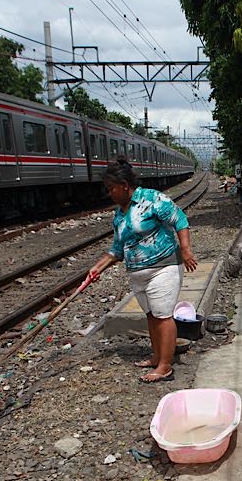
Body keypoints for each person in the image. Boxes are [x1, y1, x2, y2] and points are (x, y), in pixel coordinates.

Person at [88, 157, 198, 383]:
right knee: (151, 315)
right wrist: (97, 268)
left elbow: (180, 219)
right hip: (137, 273)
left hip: (163, 267)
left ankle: (165, 366)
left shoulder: (152, 199)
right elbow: (117, 249)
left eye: (111, 188)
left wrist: (186, 250)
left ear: (124, 185)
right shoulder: (120, 214)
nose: (109, 193)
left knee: (163, 316)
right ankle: (157, 356)